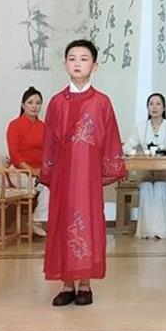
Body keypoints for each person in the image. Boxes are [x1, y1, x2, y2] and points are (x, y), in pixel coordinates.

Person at [41, 40, 127, 307]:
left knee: (87, 221)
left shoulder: (102, 102)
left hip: (88, 174)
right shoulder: (56, 102)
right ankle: (66, 284)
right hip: (63, 174)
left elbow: (110, 138)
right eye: (72, 58)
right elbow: (49, 141)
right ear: (65, 64)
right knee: (62, 221)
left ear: (94, 65)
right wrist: (49, 170)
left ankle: (86, 284)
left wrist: (106, 169)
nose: (77, 63)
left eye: (84, 58)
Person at [123, 93, 166, 239]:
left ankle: (162, 231)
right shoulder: (141, 127)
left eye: (158, 104)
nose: (154, 107)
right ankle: (147, 231)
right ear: (147, 108)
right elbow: (126, 147)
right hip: (146, 173)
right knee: (146, 187)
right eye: (151, 104)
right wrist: (135, 155)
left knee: (161, 186)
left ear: (164, 108)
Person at [6, 87, 47, 237]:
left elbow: (48, 152)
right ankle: (37, 221)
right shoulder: (14, 125)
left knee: (54, 184)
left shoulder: (44, 127)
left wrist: (42, 170)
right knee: (46, 186)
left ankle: (36, 220)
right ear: (23, 105)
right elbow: (14, 154)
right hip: (19, 171)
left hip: (39, 173)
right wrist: (30, 170)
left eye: (38, 103)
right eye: (30, 102)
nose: (34, 106)